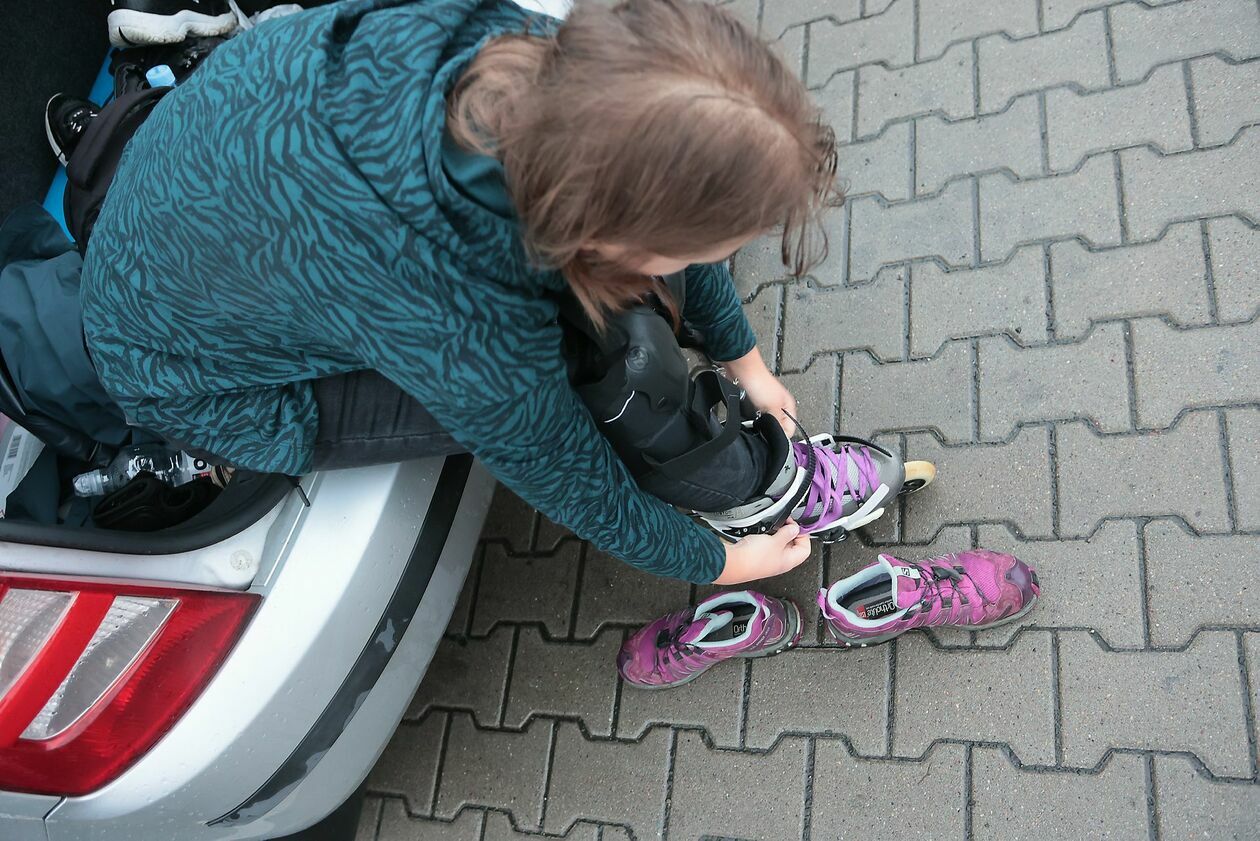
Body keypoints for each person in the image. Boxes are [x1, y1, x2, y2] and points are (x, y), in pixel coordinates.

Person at [2, 0, 929, 585]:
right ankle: (753, 493)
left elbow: (658, 200)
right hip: (198, 381)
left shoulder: (520, 44)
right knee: (597, 366)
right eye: (713, 244)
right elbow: (570, 477)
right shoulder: (466, 320)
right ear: (610, 226)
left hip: (179, 205)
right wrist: (718, 562)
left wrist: (744, 357)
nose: (717, 256)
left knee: (609, 310)